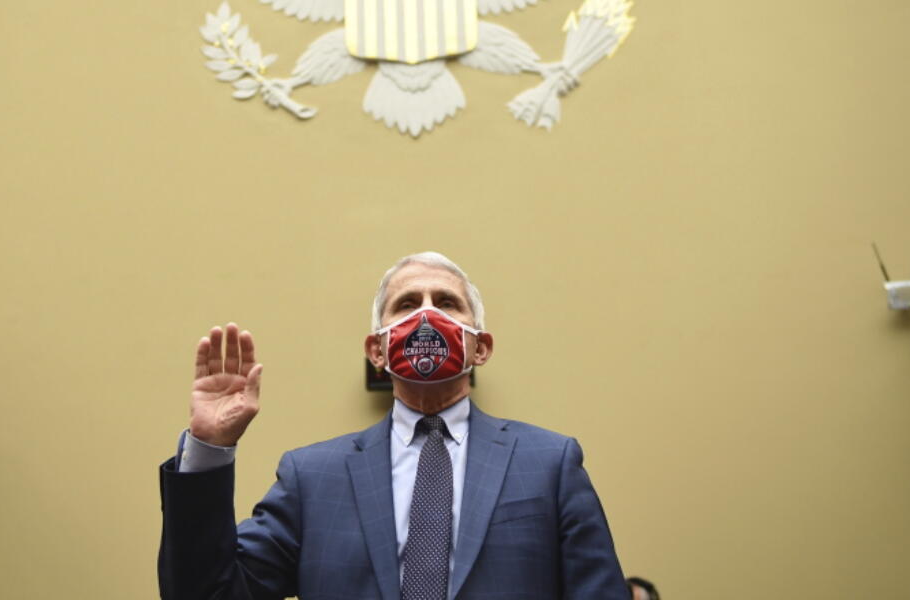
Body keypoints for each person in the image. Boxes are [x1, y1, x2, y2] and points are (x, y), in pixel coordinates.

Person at [158, 252, 628, 599]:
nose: (428, 315)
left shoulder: (549, 463)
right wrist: (208, 449)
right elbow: (208, 593)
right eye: (406, 305)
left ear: (480, 347)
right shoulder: (312, 477)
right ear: (377, 351)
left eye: (447, 302)